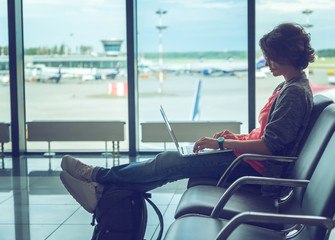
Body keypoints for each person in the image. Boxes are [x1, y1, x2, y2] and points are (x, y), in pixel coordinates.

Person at [60, 22, 315, 213]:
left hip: (253, 167)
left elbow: (270, 146)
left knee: (171, 162)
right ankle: (104, 191)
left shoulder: (294, 93)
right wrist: (235, 137)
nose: (267, 62)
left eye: (272, 57)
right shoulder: (288, 86)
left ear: (287, 56)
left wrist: (223, 144)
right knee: (170, 165)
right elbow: (267, 136)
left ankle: (96, 175)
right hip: (249, 160)